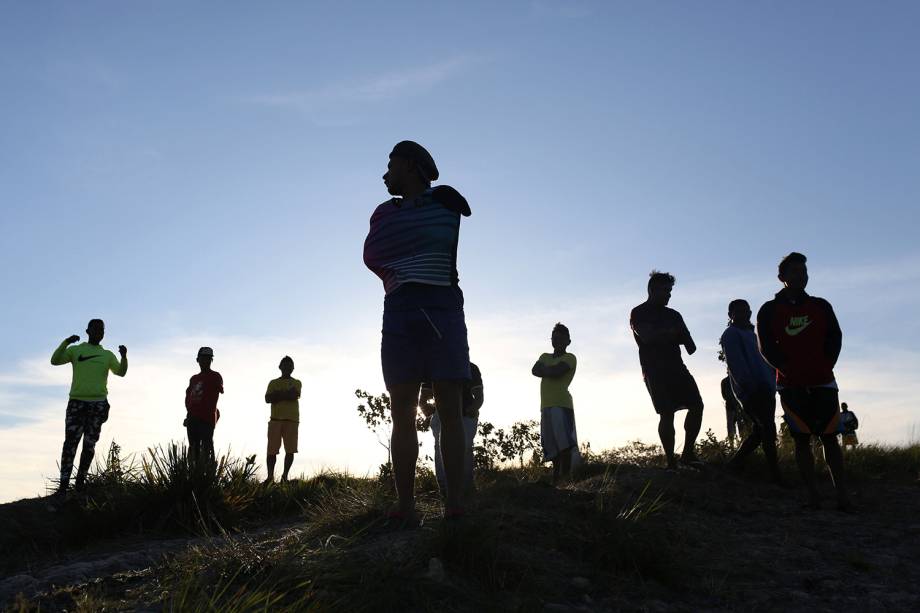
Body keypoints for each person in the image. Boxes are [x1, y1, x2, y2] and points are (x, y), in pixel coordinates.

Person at [363, 140, 473, 522]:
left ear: (410, 166)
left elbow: (443, 240)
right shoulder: (383, 213)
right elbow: (373, 254)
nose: (385, 173)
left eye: (391, 165)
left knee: (450, 407)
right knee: (402, 410)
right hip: (400, 310)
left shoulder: (446, 204)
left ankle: (455, 504)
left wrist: (408, 249)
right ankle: (406, 505)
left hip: (441, 307)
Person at [757, 252, 850, 510]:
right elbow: (766, 347)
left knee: (831, 437)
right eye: (795, 271)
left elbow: (835, 337)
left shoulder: (821, 306)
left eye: (804, 271)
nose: (801, 276)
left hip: (823, 382)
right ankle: (813, 496)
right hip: (790, 384)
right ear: (782, 277)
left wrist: (826, 364)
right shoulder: (769, 310)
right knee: (801, 439)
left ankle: (842, 496)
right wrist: (786, 368)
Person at [630, 271, 704, 470]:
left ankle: (688, 454)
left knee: (697, 406)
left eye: (670, 291)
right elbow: (647, 337)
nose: (668, 295)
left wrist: (674, 333)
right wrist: (670, 333)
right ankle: (671, 461)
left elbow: (691, 347)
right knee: (666, 413)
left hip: (677, 367)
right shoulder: (639, 312)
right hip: (654, 370)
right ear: (652, 290)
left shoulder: (674, 315)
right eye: (665, 290)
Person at [50, 319, 128, 495]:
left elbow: (121, 372)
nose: (99, 332)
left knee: (89, 445)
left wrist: (124, 357)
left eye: (102, 330)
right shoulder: (76, 350)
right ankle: (63, 486)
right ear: (88, 330)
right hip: (77, 403)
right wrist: (67, 342)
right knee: (70, 444)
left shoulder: (107, 355)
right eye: (96, 328)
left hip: (98, 404)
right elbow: (54, 361)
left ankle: (80, 483)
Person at [720, 299, 781, 482]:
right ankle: (775, 474)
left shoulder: (755, 334)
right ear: (730, 315)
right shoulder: (731, 334)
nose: (743, 314)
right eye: (738, 311)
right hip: (752, 390)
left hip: (767, 387)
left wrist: (773, 383)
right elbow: (736, 363)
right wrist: (748, 386)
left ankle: (734, 464)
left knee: (760, 430)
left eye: (746, 310)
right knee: (767, 429)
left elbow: (769, 361)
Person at [419, 362, 484, 495]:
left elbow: (479, 396)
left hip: (465, 415)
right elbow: (423, 398)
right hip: (441, 414)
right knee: (440, 448)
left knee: (465, 447)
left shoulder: (471, 368)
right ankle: (444, 488)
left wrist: (472, 409)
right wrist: (426, 408)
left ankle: (467, 487)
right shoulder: (432, 367)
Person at [532, 324, 578, 484]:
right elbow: (535, 370)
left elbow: (557, 371)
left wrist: (548, 370)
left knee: (564, 444)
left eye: (561, 338)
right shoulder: (544, 356)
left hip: (562, 405)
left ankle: (567, 480)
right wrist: (550, 370)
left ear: (568, 341)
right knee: (551, 446)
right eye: (555, 338)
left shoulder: (570, 357)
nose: (557, 341)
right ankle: (556, 480)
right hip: (545, 406)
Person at [264, 356, 302, 483]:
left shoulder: (297, 382)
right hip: (275, 420)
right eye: (285, 365)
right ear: (280, 367)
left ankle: (284, 476)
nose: (287, 367)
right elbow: (268, 399)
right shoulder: (273, 382)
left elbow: (294, 395)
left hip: (291, 420)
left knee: (290, 450)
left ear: (293, 368)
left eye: (289, 365)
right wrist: (286, 394)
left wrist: (278, 395)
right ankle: (270, 477)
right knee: (271, 450)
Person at [184, 347, 223, 463]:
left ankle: (208, 475)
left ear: (211, 361)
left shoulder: (215, 376)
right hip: (192, 418)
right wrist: (188, 416)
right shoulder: (194, 379)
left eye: (208, 359)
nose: (205, 361)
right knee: (193, 448)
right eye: (203, 358)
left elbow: (219, 391)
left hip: (207, 418)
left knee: (207, 448)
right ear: (198, 360)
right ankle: (192, 475)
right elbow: (189, 398)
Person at [721, 375, 745, 447]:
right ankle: (732, 445)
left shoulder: (736, 379)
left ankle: (741, 444)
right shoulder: (725, 381)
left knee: (739, 425)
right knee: (731, 426)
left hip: (738, 406)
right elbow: (724, 395)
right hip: (731, 407)